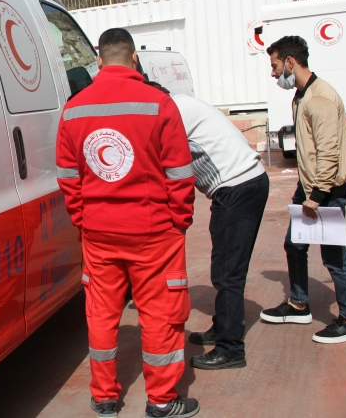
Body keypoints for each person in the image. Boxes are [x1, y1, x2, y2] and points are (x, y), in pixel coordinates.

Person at [56, 28, 199, 418]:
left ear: (98, 60)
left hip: (99, 233)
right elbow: (181, 173)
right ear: (134, 58)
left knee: (101, 314)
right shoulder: (159, 104)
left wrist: (83, 219)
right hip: (154, 233)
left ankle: (104, 398)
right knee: (160, 313)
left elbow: (68, 176)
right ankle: (162, 401)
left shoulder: (73, 109)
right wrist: (178, 222)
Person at [260, 36, 346, 344]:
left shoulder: (319, 98)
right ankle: (298, 304)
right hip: (309, 184)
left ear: (290, 62)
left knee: (333, 256)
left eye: (275, 66)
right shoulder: (301, 95)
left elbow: (329, 151)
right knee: (294, 245)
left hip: (327, 189)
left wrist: (317, 196)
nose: (273, 73)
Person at [160, 87, 269, 369]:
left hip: (238, 188)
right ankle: (223, 329)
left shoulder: (173, 111)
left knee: (228, 273)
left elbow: (161, 163)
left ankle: (231, 349)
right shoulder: (179, 104)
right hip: (241, 186)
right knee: (224, 267)